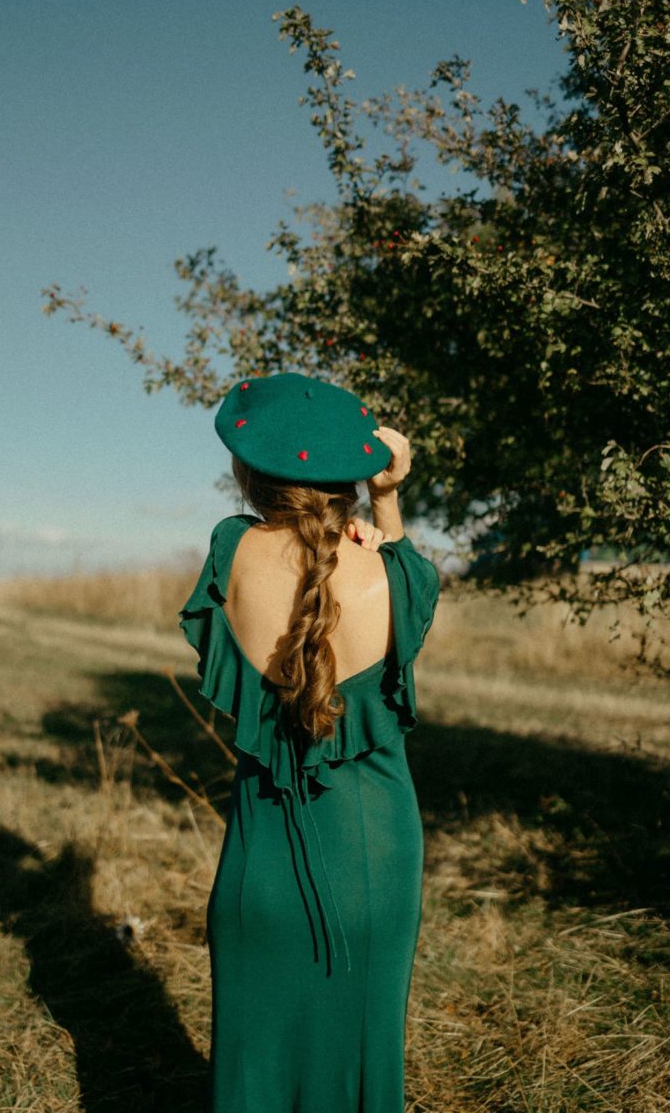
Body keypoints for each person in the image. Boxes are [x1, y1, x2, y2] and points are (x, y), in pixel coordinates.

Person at [178, 371, 441, 1113]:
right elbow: (401, 585)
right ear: (354, 475)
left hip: (256, 872)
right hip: (377, 864)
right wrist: (387, 502)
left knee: (253, 1072)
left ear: (248, 471)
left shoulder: (230, 549)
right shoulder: (397, 576)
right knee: (359, 1065)